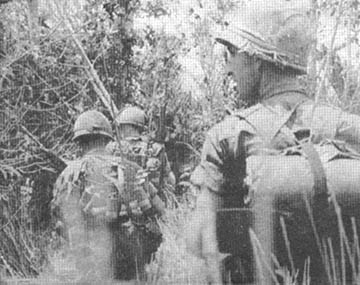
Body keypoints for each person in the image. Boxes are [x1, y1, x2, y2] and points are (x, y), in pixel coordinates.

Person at [184, 1, 360, 283]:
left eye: (232, 54)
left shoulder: (229, 135)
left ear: (256, 59)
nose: (229, 68)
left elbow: (198, 240)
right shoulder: (348, 127)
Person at [51, 110, 164, 281]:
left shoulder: (71, 172)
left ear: (79, 142)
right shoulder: (131, 168)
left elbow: (59, 216)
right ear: (107, 139)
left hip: (91, 264)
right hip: (133, 261)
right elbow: (159, 209)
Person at [108, 106, 176, 190]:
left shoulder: (112, 148)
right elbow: (171, 180)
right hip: (151, 199)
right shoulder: (155, 149)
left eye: (121, 126)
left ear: (125, 126)